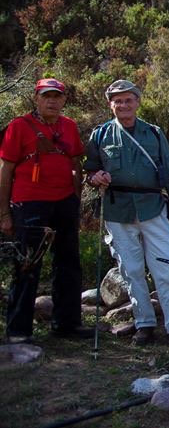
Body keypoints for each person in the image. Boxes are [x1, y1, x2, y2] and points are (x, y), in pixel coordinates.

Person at [85, 79, 169, 349]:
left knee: (166, 268)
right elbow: (90, 171)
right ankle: (144, 324)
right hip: (117, 210)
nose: (123, 104)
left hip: (153, 207)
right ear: (111, 104)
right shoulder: (100, 135)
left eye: (128, 100)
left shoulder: (155, 133)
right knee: (131, 271)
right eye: (117, 100)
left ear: (137, 102)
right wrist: (95, 177)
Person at [1, 78, 92, 343]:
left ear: (64, 100)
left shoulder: (69, 127)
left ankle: (67, 323)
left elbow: (76, 162)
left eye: (57, 96)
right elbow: (5, 170)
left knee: (68, 263)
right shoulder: (19, 127)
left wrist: (76, 197)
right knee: (28, 263)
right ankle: (18, 331)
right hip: (29, 204)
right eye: (46, 96)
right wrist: (4, 213)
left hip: (64, 202)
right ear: (36, 98)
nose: (52, 101)